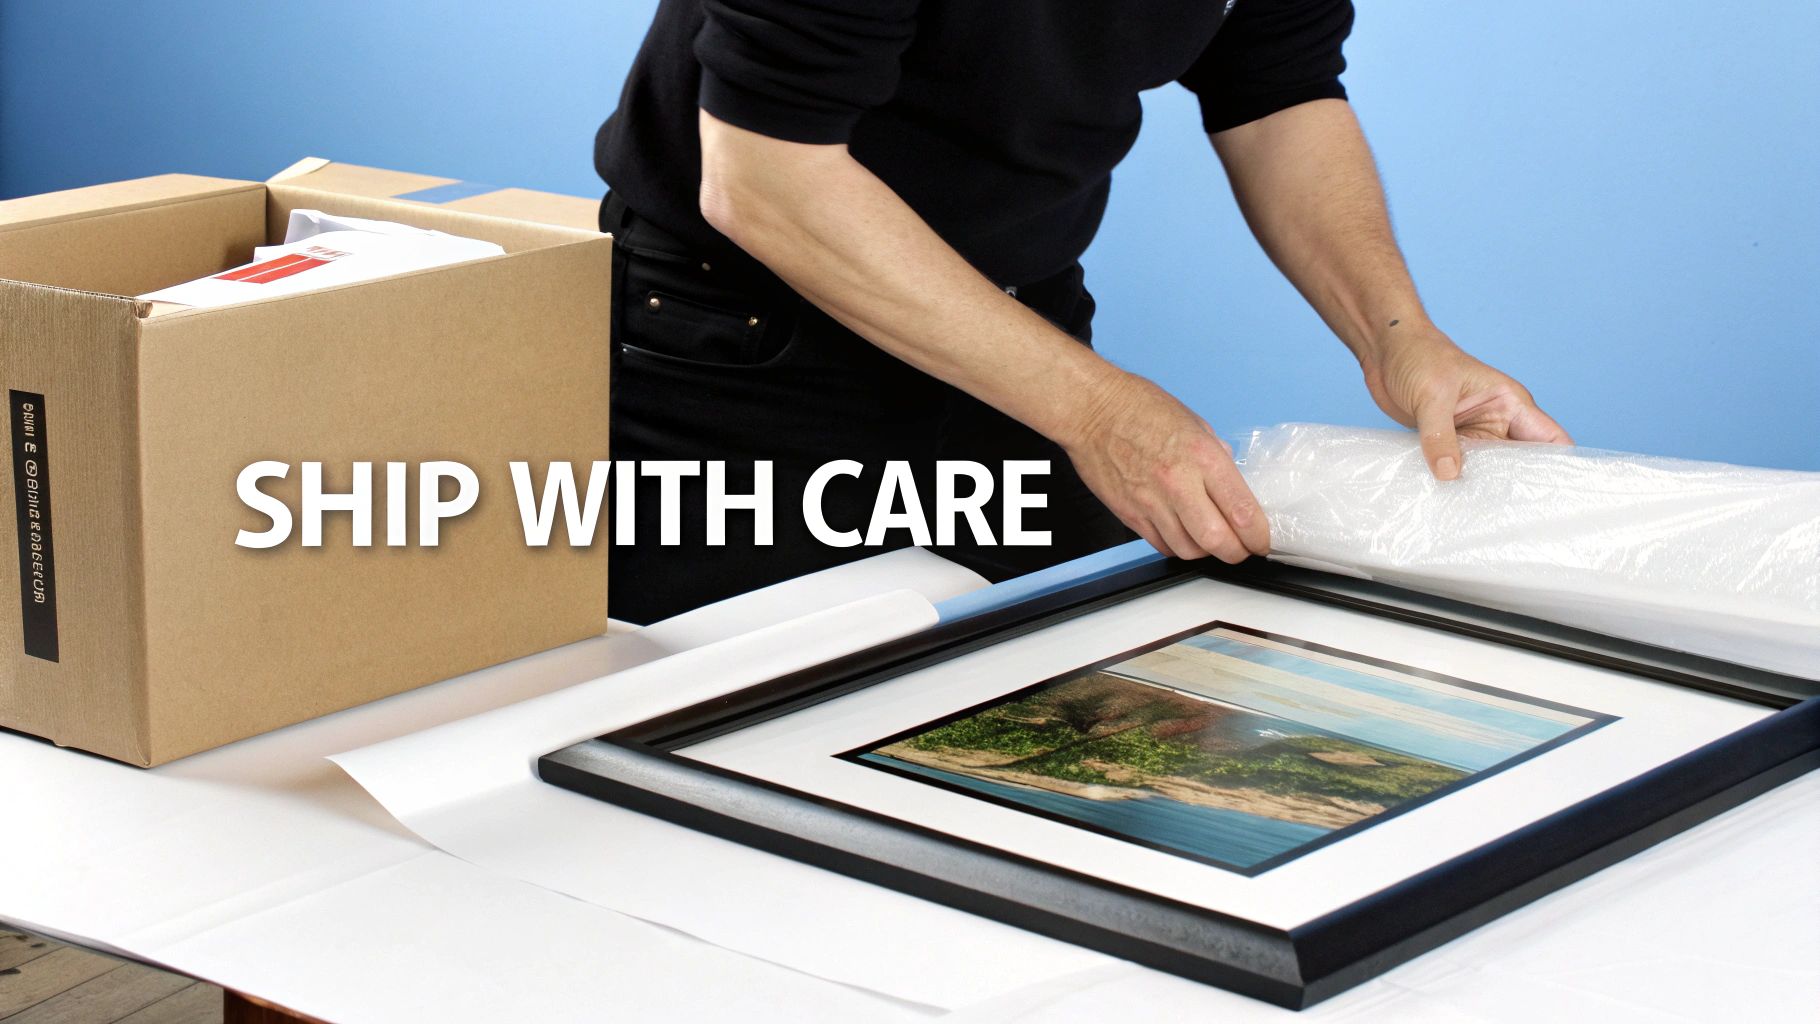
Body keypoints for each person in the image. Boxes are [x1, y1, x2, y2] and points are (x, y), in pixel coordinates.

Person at [596, 0, 1571, 624]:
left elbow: (1277, 91)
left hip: (1018, 338)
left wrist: (1399, 338)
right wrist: (1097, 412)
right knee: (720, 754)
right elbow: (764, 176)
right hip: (740, 354)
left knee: (1077, 724)